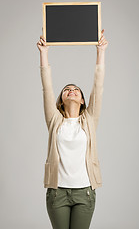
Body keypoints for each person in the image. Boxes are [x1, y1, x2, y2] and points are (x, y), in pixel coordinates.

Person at [37, 29, 108, 229]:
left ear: (83, 99)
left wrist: (100, 51)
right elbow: (47, 88)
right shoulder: (54, 121)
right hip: (57, 192)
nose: (71, 91)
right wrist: (43, 53)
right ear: (61, 99)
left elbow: (98, 86)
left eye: (76, 89)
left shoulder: (89, 120)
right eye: (67, 89)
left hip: (84, 192)